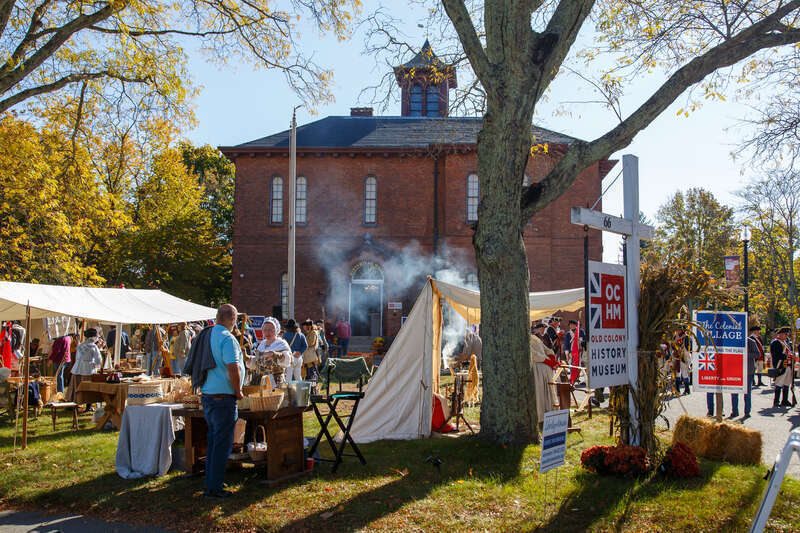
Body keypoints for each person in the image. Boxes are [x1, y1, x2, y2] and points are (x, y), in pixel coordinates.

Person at [200, 303, 244, 499]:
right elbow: (232, 368)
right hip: (223, 397)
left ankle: (212, 481)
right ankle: (214, 488)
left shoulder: (206, 334)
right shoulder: (227, 338)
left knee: (213, 442)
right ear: (233, 320)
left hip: (208, 395)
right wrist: (238, 391)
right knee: (221, 444)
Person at [248, 317, 292, 388]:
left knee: (273, 398)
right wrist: (248, 359)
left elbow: (288, 360)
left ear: (276, 330)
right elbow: (257, 362)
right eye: (265, 330)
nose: (267, 332)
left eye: (271, 330)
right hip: (259, 382)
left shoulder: (281, 344)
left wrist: (276, 354)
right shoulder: (262, 344)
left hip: (274, 382)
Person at [66, 328, 103, 411]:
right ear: (93, 337)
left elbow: (77, 358)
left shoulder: (80, 345)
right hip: (88, 370)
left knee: (76, 386)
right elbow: (98, 360)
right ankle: (88, 406)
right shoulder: (94, 347)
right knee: (88, 388)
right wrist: (97, 366)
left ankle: (74, 404)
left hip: (77, 369)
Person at [731, 323, 761, 419]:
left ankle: (747, 412)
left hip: (748, 371)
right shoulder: (733, 341)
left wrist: (745, 354)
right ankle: (735, 411)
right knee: (734, 393)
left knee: (747, 393)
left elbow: (757, 354)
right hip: (735, 370)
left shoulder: (751, 342)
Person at [530, 322, 558, 421]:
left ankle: (549, 414)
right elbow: (533, 355)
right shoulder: (524, 339)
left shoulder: (535, 338)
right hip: (537, 369)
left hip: (546, 369)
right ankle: (540, 416)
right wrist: (547, 361)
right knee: (540, 393)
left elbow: (546, 349)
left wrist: (552, 358)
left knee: (548, 393)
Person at [771, 326, 794, 408]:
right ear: (780, 334)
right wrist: (786, 356)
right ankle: (776, 401)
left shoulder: (787, 343)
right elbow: (775, 355)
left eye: (787, 334)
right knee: (779, 383)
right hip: (781, 365)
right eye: (785, 334)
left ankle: (784, 400)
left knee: (787, 383)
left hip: (788, 366)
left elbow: (790, 351)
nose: (786, 336)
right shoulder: (776, 342)